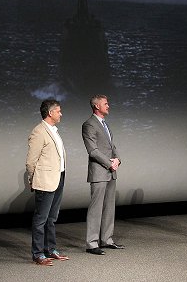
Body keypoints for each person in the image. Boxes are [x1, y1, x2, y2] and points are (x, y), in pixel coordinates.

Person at [26, 99, 69, 265]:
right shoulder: (39, 131)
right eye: (58, 111)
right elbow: (31, 161)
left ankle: (50, 249)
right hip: (45, 181)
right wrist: (32, 179)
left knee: (52, 218)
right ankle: (38, 254)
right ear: (50, 113)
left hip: (58, 177)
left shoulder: (54, 131)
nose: (61, 113)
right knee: (41, 219)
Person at [82, 94, 124, 255]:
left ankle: (107, 240)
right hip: (99, 172)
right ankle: (92, 243)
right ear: (97, 106)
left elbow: (113, 146)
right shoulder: (89, 125)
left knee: (109, 208)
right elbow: (92, 150)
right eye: (106, 104)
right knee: (96, 208)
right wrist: (109, 163)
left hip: (110, 171)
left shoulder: (106, 125)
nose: (108, 106)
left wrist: (118, 160)